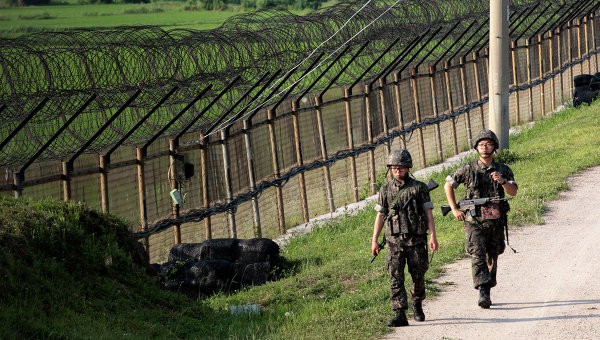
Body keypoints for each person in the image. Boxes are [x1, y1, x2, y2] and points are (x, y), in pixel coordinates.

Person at [443, 129, 518, 309]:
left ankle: (488, 284)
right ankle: (483, 290)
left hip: (496, 220)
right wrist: (454, 209)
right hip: (473, 220)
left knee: (494, 253)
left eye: (489, 144)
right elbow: (448, 184)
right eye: (481, 144)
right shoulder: (468, 169)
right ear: (476, 147)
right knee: (477, 253)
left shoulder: (503, 169)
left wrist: (502, 181)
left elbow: (513, 192)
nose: (485, 148)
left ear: (495, 147)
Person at [371, 148, 438, 327]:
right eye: (394, 168)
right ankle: (399, 312)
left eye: (401, 167)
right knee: (395, 276)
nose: (397, 171)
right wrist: (374, 239)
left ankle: (417, 304)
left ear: (408, 167)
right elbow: (380, 216)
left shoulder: (419, 187)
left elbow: (428, 213)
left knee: (418, 275)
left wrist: (433, 236)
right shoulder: (385, 190)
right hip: (394, 241)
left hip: (416, 239)